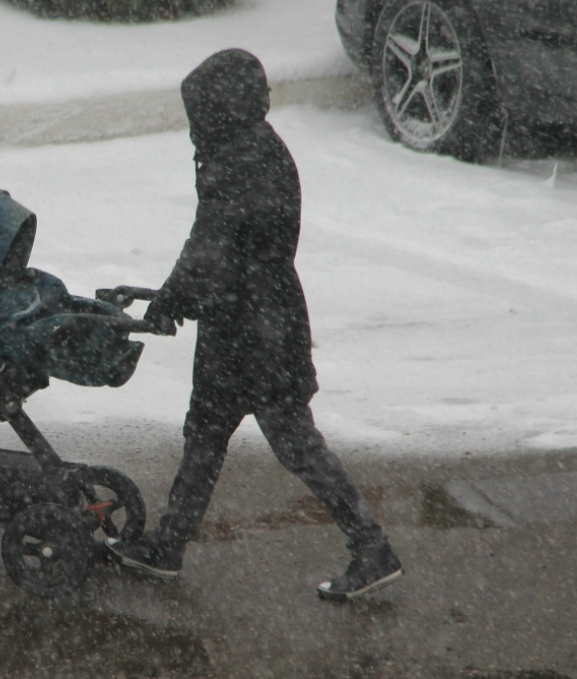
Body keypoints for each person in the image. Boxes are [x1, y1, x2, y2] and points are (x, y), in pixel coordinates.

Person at [105, 49, 403, 601]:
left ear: (221, 109)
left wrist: (172, 299)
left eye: (199, 113)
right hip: (244, 320)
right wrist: (177, 297)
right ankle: (169, 546)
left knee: (293, 443)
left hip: (259, 327)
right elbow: (220, 249)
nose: (194, 126)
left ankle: (371, 547)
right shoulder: (249, 148)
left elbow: (212, 246)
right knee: (206, 435)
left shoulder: (241, 158)